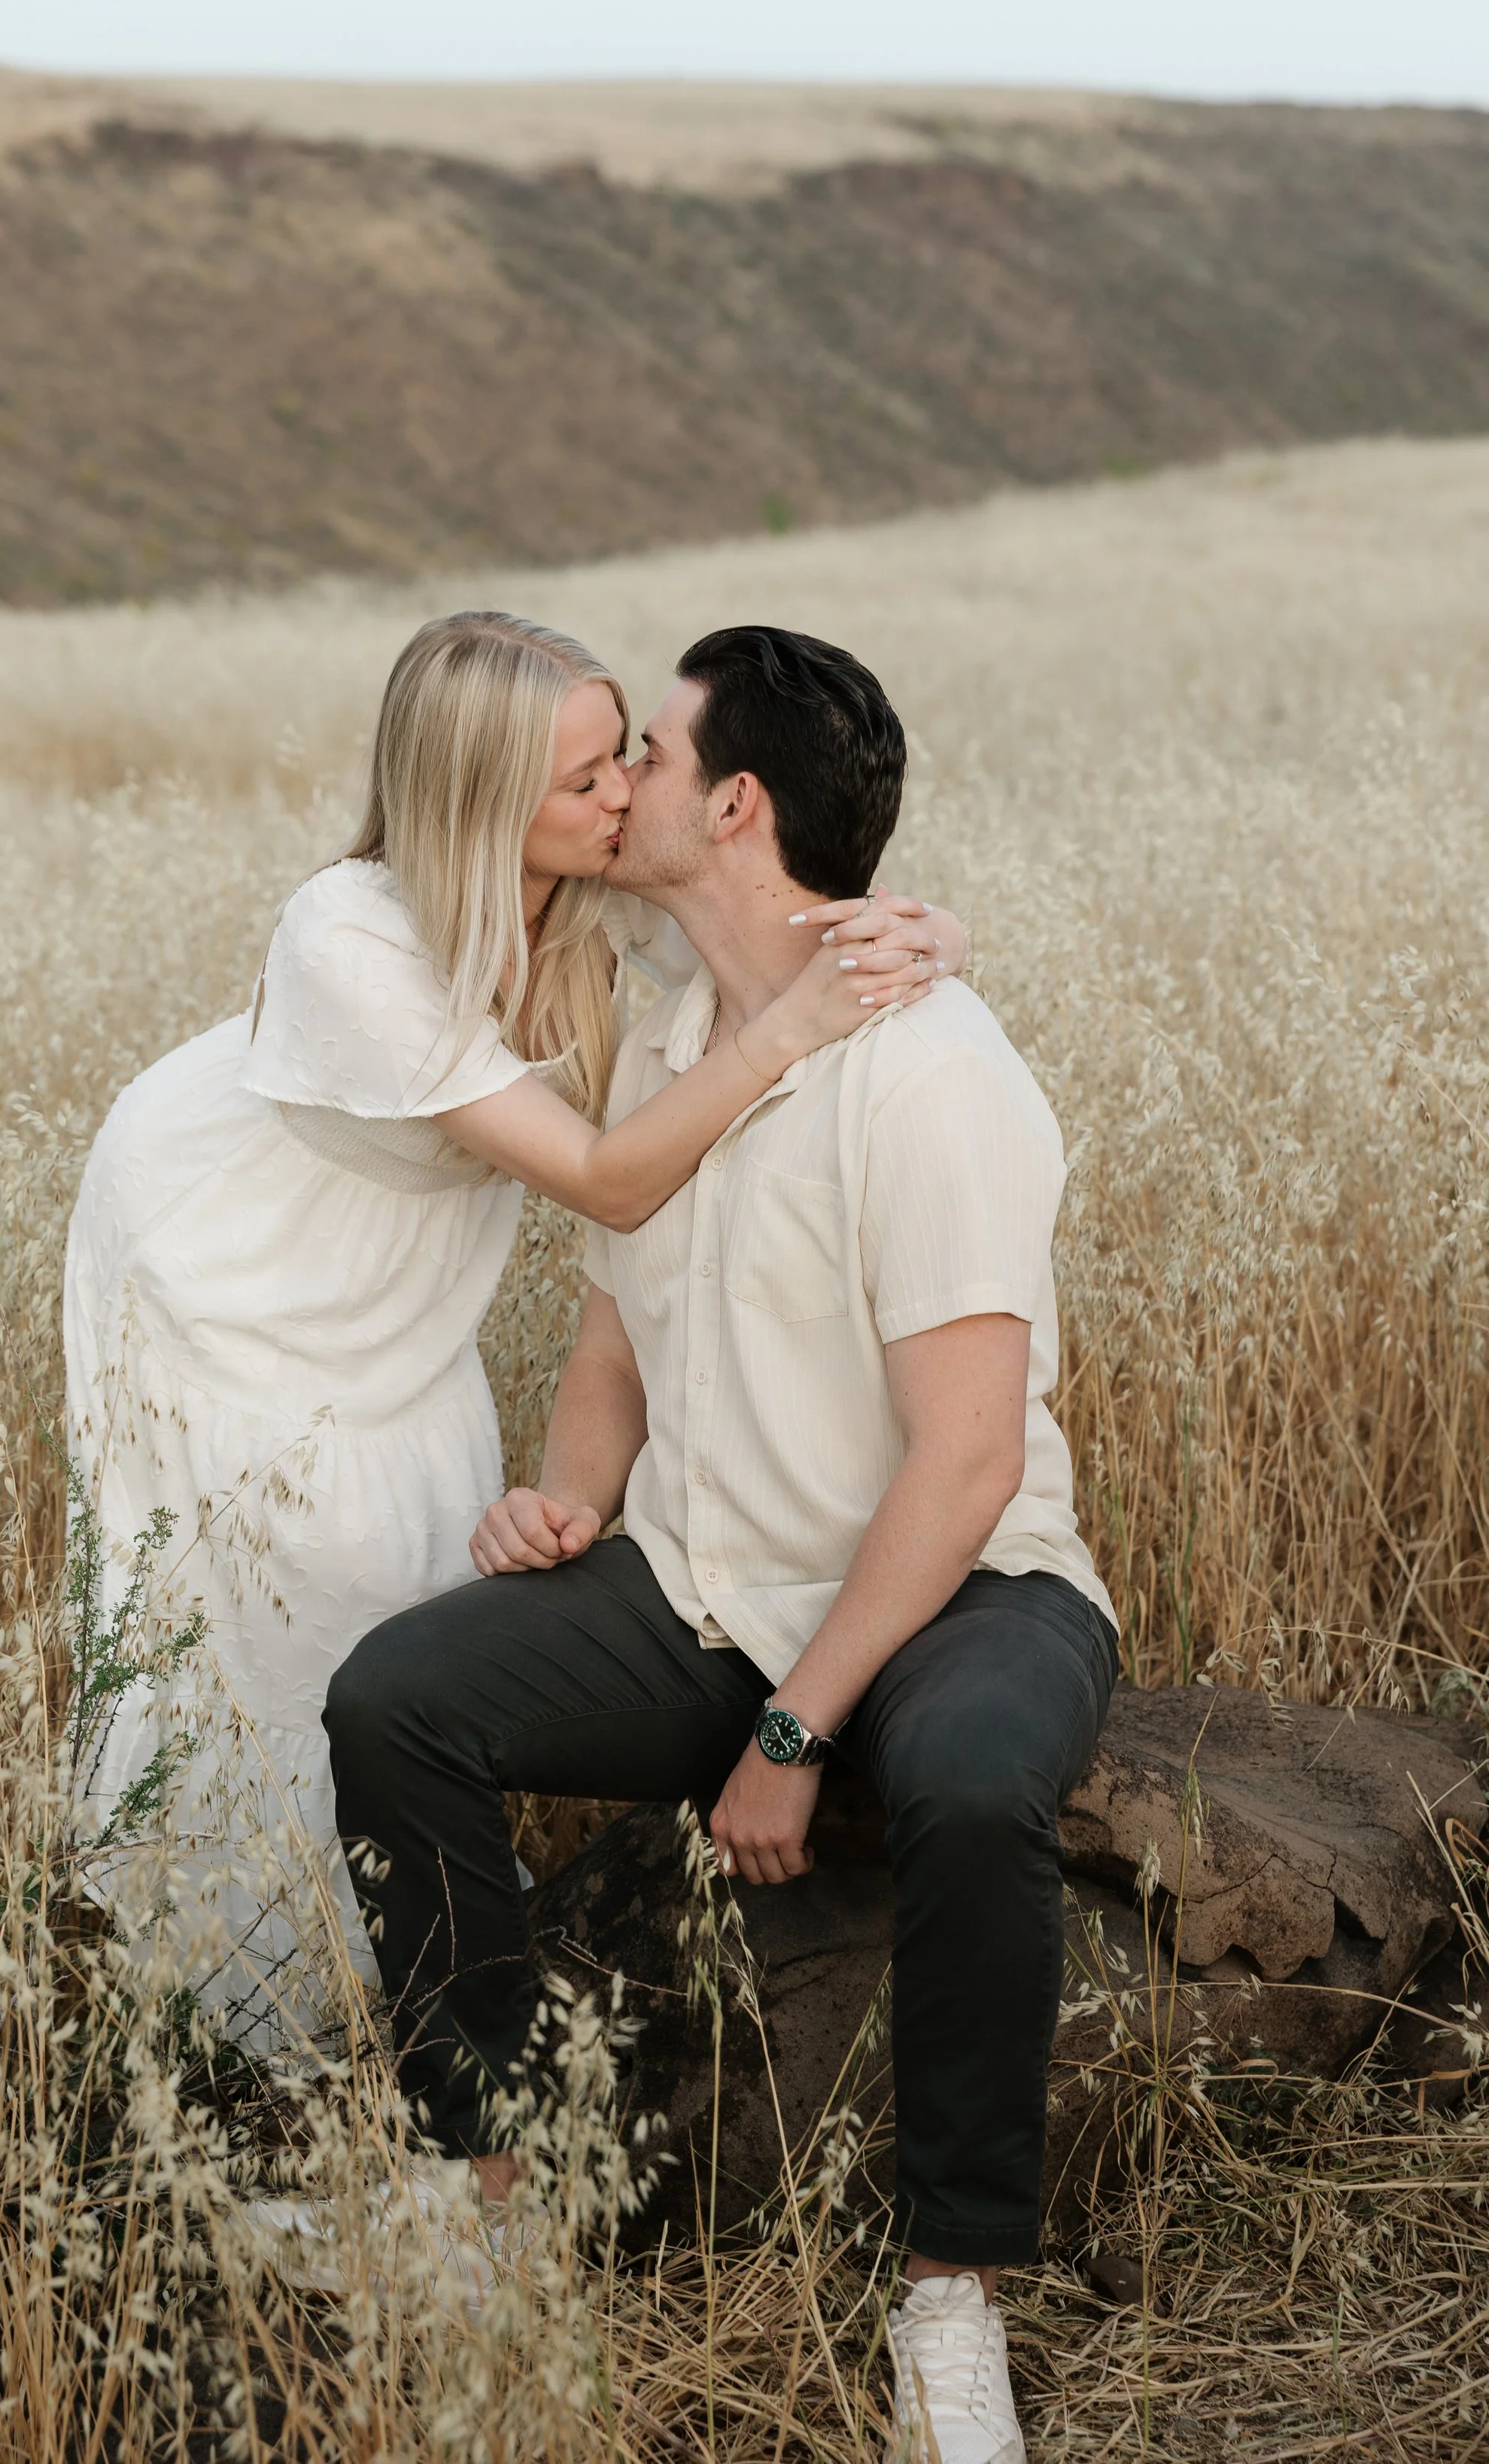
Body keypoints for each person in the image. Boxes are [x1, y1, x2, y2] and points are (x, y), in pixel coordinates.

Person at [324, 625, 1117, 2464]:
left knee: (982, 1779)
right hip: (693, 1589)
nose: (614, 794)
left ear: (735, 804)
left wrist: (796, 1728)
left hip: (955, 1592)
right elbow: (615, 1329)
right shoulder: (678, 1023)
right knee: (397, 1702)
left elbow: (968, 1457)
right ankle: (490, 2207)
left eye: (647, 760)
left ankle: (950, 2302)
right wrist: (572, 1499)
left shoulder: (927, 1065)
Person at [63, 610, 962, 2046]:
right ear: (481, 806)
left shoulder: (592, 894)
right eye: (588, 780)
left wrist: (928, 932)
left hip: (407, 1299)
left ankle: (400, 2008)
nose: (626, 798)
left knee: (407, 1585)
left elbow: (767, 918)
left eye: (625, 757)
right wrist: (795, 1024)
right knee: (259, 1610)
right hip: (228, 1263)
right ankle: (253, 2021)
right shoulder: (348, 935)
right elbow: (613, 1176)